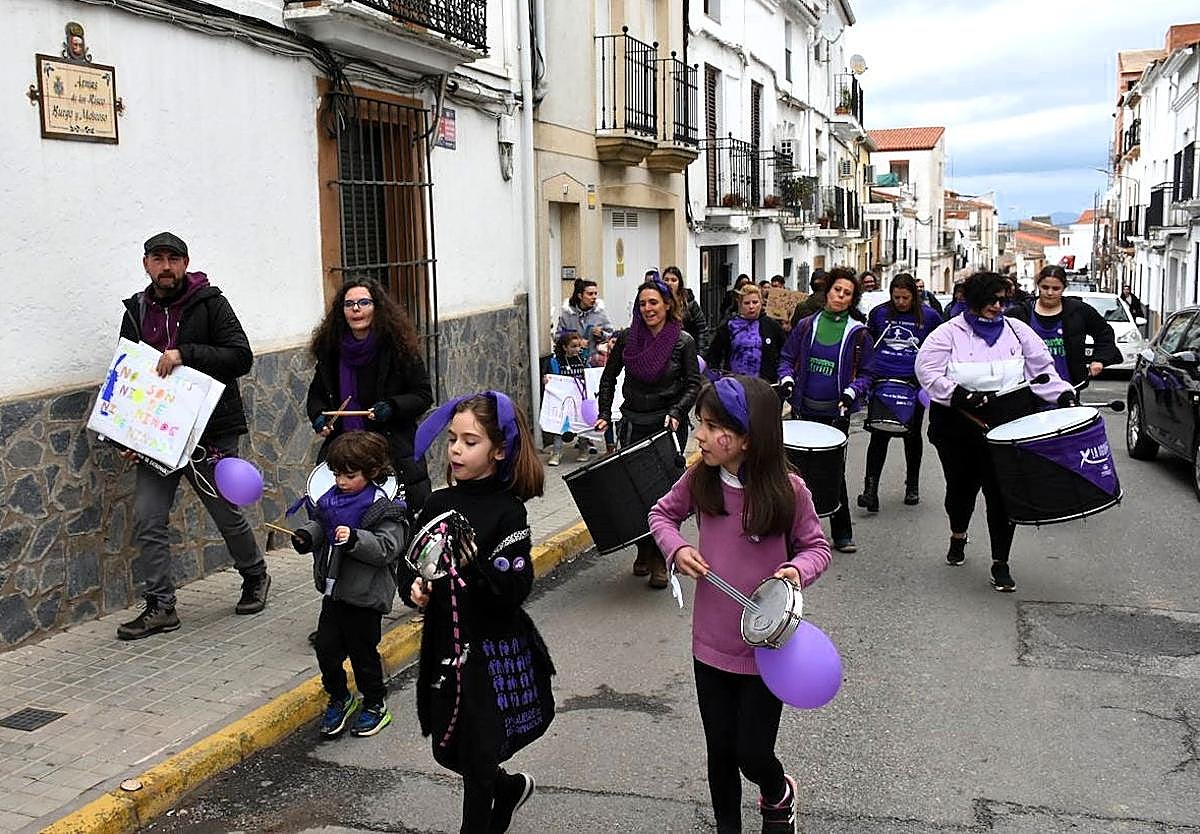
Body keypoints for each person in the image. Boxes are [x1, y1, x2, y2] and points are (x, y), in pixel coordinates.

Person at [649, 375, 831, 834]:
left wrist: (797, 570)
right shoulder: (700, 479)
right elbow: (661, 514)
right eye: (699, 425)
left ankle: (777, 791)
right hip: (710, 645)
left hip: (768, 649)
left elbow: (817, 548)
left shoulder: (789, 490)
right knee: (720, 752)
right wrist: (675, 548)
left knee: (752, 752)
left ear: (748, 436)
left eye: (712, 427)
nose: (699, 436)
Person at [406, 392, 554, 834]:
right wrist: (416, 588)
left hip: (489, 650)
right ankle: (506, 789)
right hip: (443, 644)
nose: (455, 449)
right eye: (452, 439)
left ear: (499, 450)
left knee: (475, 756)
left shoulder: (508, 512)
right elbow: (416, 565)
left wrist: (475, 565)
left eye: (469, 442)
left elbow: (515, 588)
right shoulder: (434, 505)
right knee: (447, 751)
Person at [116, 232, 270, 640]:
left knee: (224, 512)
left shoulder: (212, 304)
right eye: (157, 258)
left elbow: (240, 356)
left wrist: (186, 353)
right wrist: (128, 434)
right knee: (149, 518)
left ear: (185, 263)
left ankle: (255, 574)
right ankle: (161, 607)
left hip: (210, 431)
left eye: (173, 258)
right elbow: (126, 374)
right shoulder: (135, 311)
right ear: (145, 263)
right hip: (156, 437)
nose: (165, 266)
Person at [915, 272, 1075, 592]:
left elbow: (1042, 371)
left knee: (1001, 496)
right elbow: (926, 370)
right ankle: (958, 534)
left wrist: (1063, 393)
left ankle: (1000, 562)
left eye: (1003, 300)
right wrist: (958, 393)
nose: (998, 307)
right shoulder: (948, 333)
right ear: (974, 300)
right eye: (991, 300)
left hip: (1005, 426)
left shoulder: (1018, 331)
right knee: (960, 491)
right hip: (958, 426)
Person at [290, 431, 408, 738]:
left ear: (371, 472)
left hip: (366, 594)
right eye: (337, 474)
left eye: (349, 475)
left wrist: (356, 538)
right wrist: (307, 536)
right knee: (327, 650)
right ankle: (341, 698)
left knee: (363, 654)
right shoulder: (331, 500)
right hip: (334, 590)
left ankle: (374, 704)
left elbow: (387, 548)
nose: (341, 481)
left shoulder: (386, 508)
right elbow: (322, 524)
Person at [595, 278, 702, 587]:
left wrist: (677, 411)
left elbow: (693, 384)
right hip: (633, 422)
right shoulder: (628, 339)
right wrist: (604, 412)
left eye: (653, 302)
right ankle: (643, 550)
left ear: (667, 304)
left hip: (666, 425)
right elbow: (609, 378)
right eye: (642, 304)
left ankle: (660, 557)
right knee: (634, 493)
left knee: (662, 494)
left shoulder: (683, 341)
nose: (647, 309)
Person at [307, 278, 435, 513]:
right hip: (344, 451)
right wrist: (319, 417)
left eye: (364, 302)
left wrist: (393, 406)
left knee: (396, 523)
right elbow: (317, 396)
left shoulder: (398, 347)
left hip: (391, 451)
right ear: (341, 311)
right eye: (349, 304)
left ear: (377, 307)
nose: (356, 309)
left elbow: (423, 394)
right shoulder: (332, 350)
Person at [777, 267, 873, 553]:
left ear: (852, 300)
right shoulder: (806, 326)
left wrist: (852, 391)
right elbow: (786, 358)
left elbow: (868, 373)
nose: (840, 297)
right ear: (827, 291)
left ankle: (842, 532)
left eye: (847, 294)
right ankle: (795, 535)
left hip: (836, 415)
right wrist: (787, 379)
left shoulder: (858, 334)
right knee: (795, 474)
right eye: (837, 291)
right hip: (803, 409)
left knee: (833, 471)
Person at [857, 274, 941, 511]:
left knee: (912, 436)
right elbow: (869, 342)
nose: (901, 302)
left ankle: (912, 485)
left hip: (913, 383)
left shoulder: (930, 316)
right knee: (879, 434)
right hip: (883, 380)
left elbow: (938, 348)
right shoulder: (879, 314)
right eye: (896, 297)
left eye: (905, 298)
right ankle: (870, 490)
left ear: (914, 296)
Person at [1009, 265, 1121, 387]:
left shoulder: (1078, 311)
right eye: (1045, 287)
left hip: (1068, 386)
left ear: (1064, 288)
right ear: (1038, 285)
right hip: (1028, 387)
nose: (1050, 293)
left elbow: (1104, 332)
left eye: (1056, 288)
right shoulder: (1020, 314)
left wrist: (1099, 359)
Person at [705, 283, 786, 383]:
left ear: (761, 302)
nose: (751, 306)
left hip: (765, 387)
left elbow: (785, 353)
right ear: (740, 304)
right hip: (735, 385)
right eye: (747, 303)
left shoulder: (771, 325)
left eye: (755, 302)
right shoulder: (729, 325)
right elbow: (713, 355)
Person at [540, 331, 596, 466]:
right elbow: (551, 377)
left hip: (580, 398)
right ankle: (557, 452)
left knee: (582, 423)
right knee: (560, 424)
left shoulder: (583, 360)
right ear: (565, 347)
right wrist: (547, 380)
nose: (577, 349)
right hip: (563, 399)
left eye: (578, 346)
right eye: (573, 346)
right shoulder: (556, 361)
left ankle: (583, 450)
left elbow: (590, 375)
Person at [557, 278, 614, 360]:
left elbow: (611, 336)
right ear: (580, 296)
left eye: (595, 293)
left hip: (594, 361)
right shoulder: (567, 314)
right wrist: (576, 341)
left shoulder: (600, 313)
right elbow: (558, 337)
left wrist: (601, 334)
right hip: (571, 361)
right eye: (590, 294)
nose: (594, 297)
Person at [663, 264, 710, 353]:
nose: (669, 283)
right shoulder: (659, 303)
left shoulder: (690, 303)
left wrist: (701, 354)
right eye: (666, 280)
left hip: (687, 351)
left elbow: (701, 328)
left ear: (679, 283)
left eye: (673, 280)